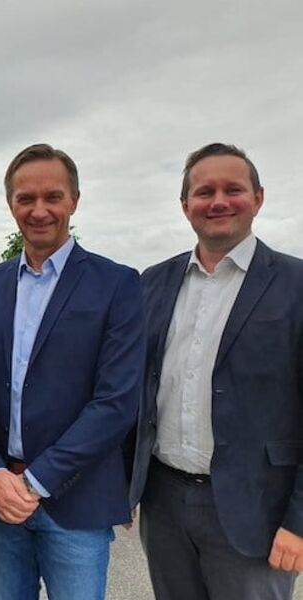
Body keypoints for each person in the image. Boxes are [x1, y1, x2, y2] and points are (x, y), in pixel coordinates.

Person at [128, 143, 303, 599]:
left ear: (258, 198)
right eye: (204, 191)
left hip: (256, 512)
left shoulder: (296, 286)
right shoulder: (152, 283)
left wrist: (299, 523)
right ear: (186, 205)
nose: (219, 201)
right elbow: (137, 392)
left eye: (233, 189)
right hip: (164, 502)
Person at [0, 143, 145, 600]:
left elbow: (116, 402)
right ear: (11, 204)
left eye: (53, 196)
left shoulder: (118, 284)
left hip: (76, 503)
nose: (39, 210)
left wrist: (34, 481)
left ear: (74, 200)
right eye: (25, 199)